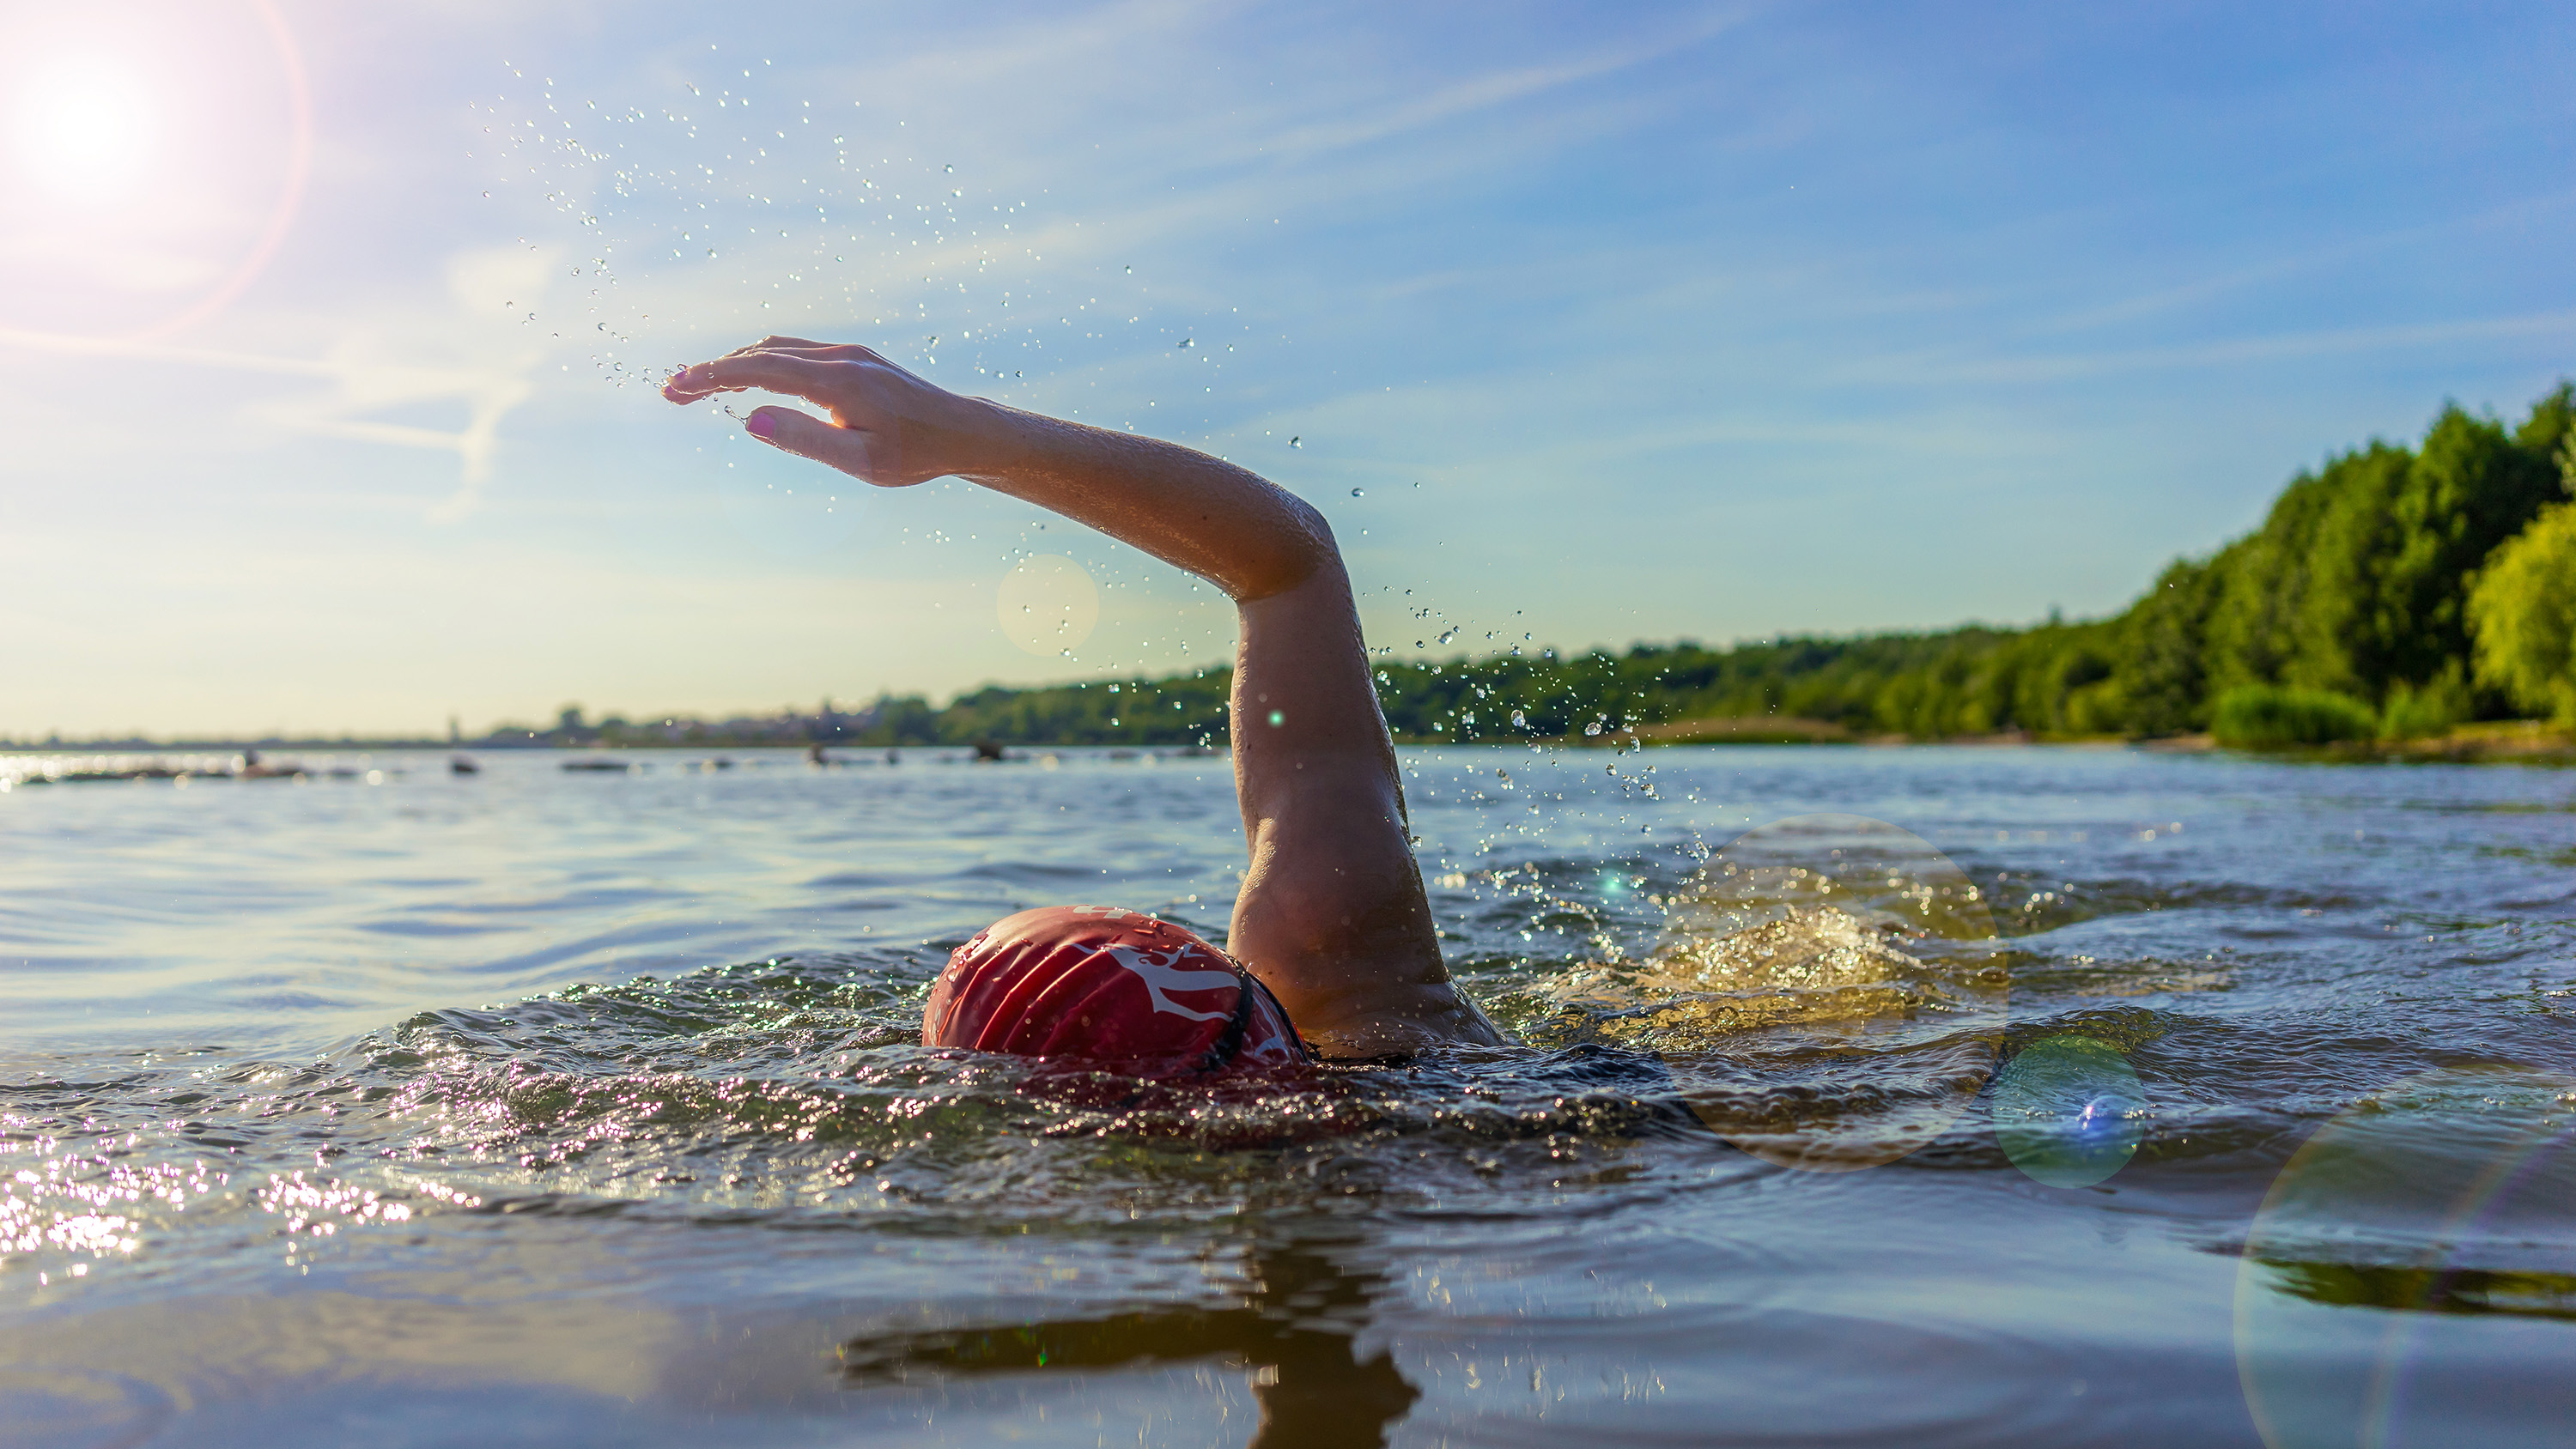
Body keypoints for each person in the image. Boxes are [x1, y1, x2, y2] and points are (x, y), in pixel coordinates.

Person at [664, 339, 1504, 1064]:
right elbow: (1293, 561)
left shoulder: (1355, 991)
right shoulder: (1351, 979)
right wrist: (966, 433)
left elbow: (1293, 568)